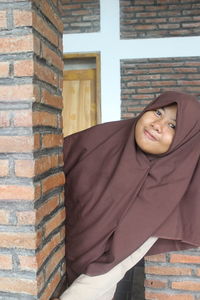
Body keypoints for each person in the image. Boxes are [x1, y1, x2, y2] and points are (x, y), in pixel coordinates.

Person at [52, 91, 200, 300]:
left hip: (89, 287)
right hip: (50, 260)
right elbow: (48, 172)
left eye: (173, 126)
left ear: (184, 141)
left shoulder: (170, 192)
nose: (158, 125)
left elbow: (120, 260)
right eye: (158, 112)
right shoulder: (100, 140)